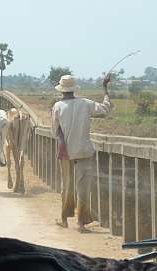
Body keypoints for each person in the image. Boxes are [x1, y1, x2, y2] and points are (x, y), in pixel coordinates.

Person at [52, 74, 111, 233]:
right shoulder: (85, 104)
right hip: (84, 151)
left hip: (66, 153)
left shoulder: (57, 106)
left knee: (67, 186)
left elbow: (55, 131)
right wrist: (105, 89)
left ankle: (64, 219)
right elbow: (105, 110)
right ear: (74, 89)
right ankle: (80, 223)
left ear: (62, 90)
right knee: (83, 187)